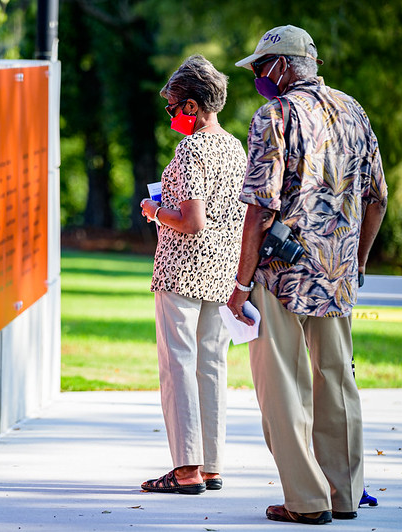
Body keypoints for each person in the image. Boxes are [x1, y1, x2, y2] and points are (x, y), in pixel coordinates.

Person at [227, 25, 388, 524]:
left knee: (282, 388)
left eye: (260, 67)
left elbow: (259, 206)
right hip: (336, 274)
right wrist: (356, 262)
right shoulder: (353, 111)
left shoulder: (274, 116)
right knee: (337, 382)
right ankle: (343, 495)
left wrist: (238, 284)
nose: (258, 76)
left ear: (282, 65)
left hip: (280, 274)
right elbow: (378, 198)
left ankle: (306, 500)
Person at [138, 55, 246, 495]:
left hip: (182, 271)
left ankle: (185, 471)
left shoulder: (191, 149)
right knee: (212, 367)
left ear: (192, 106)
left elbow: (191, 219)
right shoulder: (235, 147)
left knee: (177, 366)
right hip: (222, 272)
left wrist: (154, 211)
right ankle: (212, 464)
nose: (170, 115)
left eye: (173, 106)